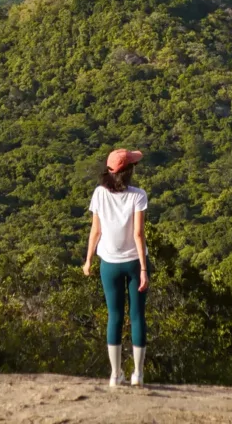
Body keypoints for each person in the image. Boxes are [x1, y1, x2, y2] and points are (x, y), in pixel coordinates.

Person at [83, 148, 150, 387]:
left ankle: (115, 374)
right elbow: (138, 234)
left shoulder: (99, 194)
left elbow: (96, 231)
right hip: (134, 262)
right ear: (129, 171)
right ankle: (138, 375)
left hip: (109, 263)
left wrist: (88, 259)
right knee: (137, 316)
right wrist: (143, 268)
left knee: (115, 316)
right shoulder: (138, 195)